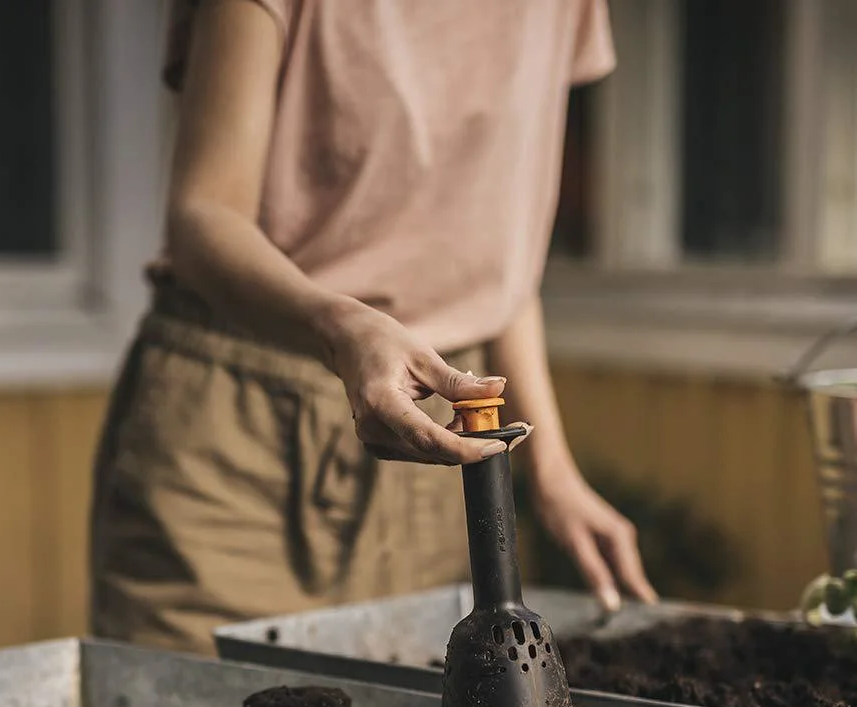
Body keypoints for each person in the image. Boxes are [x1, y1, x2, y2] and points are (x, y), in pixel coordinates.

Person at [89, 0, 658, 655]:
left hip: (429, 441)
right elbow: (202, 218)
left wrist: (552, 468)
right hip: (234, 443)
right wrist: (343, 329)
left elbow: (498, 258)